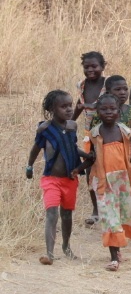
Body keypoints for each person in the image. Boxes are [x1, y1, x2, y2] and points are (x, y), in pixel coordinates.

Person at [26, 90, 90, 265]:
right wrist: (29, 166)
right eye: (64, 106)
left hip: (69, 180)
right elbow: (35, 149)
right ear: (52, 109)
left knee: (67, 215)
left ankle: (66, 246)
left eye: (70, 105)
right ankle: (49, 253)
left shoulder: (72, 127)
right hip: (51, 180)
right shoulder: (45, 129)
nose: (69, 109)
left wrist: (88, 156)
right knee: (52, 213)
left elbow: (71, 148)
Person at [89, 94, 131, 272]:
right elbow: (90, 158)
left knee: (122, 216)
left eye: (112, 109)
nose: (108, 112)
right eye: (104, 109)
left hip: (122, 181)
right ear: (98, 112)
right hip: (104, 183)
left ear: (118, 111)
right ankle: (113, 258)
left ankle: (118, 250)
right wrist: (80, 169)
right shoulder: (94, 134)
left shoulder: (124, 132)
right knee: (109, 218)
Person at [72, 51, 106, 227]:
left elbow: (112, 104)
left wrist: (91, 106)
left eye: (94, 66)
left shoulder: (109, 84)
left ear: (103, 67)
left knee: (109, 170)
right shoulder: (82, 84)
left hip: (107, 132)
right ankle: (95, 210)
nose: (90, 69)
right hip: (89, 134)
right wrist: (69, 121)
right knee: (90, 169)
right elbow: (80, 104)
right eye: (87, 67)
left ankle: (112, 208)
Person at [89, 75, 131, 143]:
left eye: (125, 89)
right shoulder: (100, 114)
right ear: (108, 92)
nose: (123, 92)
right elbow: (92, 137)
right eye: (118, 89)